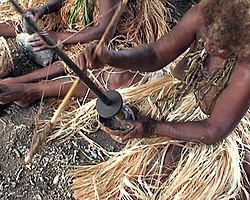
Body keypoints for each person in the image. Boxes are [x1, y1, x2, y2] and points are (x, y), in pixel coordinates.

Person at [67, 0, 250, 199]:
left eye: (219, 46)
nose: (207, 46)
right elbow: (155, 55)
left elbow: (212, 130)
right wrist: (111, 57)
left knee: (157, 168)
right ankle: (33, 90)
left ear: (241, 46)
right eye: (206, 36)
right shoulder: (203, 14)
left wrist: (152, 128)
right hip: (171, 90)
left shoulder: (246, 69)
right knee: (115, 77)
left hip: (205, 121)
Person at [0, 0, 169, 107]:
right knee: (26, 24)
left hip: (108, 36)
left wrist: (58, 37)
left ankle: (31, 90)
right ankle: (17, 81)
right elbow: (60, 2)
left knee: (101, 71)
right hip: (79, 23)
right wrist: (43, 10)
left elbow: (105, 31)